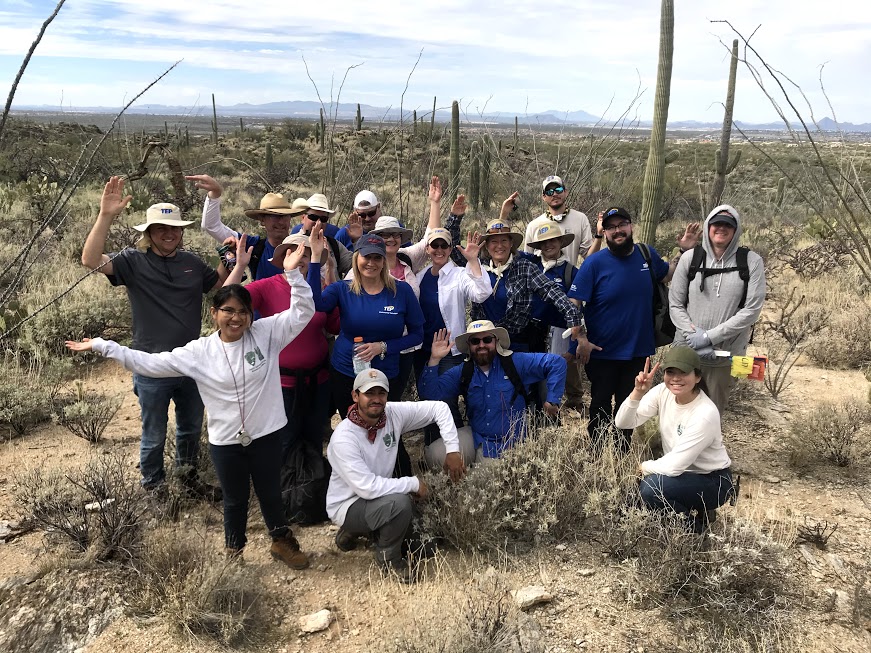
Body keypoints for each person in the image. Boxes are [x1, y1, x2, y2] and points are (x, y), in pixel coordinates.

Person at [66, 245, 316, 567]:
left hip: (266, 432)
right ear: (214, 314)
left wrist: (294, 274)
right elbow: (151, 363)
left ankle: (281, 542)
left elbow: (302, 313)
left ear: (251, 316)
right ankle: (233, 553)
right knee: (235, 499)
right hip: (226, 440)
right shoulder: (200, 352)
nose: (236, 318)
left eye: (243, 311)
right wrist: (104, 346)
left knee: (270, 492)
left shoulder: (267, 334)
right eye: (227, 310)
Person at [81, 177, 225, 497]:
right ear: (148, 232)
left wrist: (235, 259)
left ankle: (188, 481)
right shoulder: (133, 261)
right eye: (161, 228)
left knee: (189, 428)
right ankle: (154, 488)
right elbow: (90, 261)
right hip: (149, 364)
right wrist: (105, 215)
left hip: (190, 363)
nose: (169, 233)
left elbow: (220, 287)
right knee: (154, 433)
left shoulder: (191, 263)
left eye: (174, 228)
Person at [327, 368, 464, 583]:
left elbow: (440, 408)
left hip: (380, 497)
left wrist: (453, 450)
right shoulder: (344, 437)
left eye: (381, 393)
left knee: (426, 548)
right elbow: (367, 488)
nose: (376, 399)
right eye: (369, 393)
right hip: (349, 504)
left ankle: (366, 532)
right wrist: (412, 483)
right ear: (355, 396)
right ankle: (388, 559)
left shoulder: (392, 413)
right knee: (400, 503)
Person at [568, 206, 683, 450]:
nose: (617, 230)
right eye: (611, 227)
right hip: (601, 350)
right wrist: (581, 338)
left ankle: (620, 452)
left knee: (629, 403)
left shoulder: (646, 254)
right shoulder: (594, 263)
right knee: (600, 403)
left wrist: (683, 251)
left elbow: (666, 275)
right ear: (605, 232)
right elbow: (573, 304)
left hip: (638, 349)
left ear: (631, 226)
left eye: (622, 225)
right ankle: (598, 453)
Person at [224, 233, 339, 459]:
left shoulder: (322, 289)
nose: (300, 258)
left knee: (314, 438)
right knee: (285, 440)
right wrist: (239, 267)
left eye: (306, 254)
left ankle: (311, 486)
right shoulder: (267, 287)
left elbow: (335, 326)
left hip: (319, 380)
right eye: (294, 252)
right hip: (281, 384)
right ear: (283, 259)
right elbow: (226, 301)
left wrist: (333, 277)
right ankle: (286, 489)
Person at [305, 224, 424, 417]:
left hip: (385, 374)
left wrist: (383, 346)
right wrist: (315, 258)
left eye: (377, 257)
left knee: (384, 428)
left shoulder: (401, 291)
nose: (371, 263)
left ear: (384, 261)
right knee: (352, 427)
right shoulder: (342, 289)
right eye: (366, 256)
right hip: (346, 372)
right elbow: (314, 303)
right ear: (356, 258)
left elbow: (417, 335)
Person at [614, 347, 734, 533]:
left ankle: (695, 532)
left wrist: (643, 467)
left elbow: (674, 466)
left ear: (697, 377)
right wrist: (637, 393)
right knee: (628, 505)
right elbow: (623, 422)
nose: (676, 378)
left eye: (684, 372)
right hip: (681, 474)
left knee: (652, 489)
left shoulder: (705, 413)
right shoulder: (663, 391)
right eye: (671, 372)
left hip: (712, 480)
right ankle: (691, 511)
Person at [447, 193, 584, 352]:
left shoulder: (525, 268)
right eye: (494, 242)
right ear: (486, 246)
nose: (499, 246)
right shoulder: (477, 265)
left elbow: (551, 291)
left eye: (504, 240)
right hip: (484, 345)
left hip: (517, 344)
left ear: (511, 243)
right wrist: (455, 218)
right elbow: (453, 248)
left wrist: (573, 318)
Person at [418, 321, 567, 462]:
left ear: (496, 342)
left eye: (487, 339)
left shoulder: (515, 362)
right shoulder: (464, 371)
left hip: (507, 442)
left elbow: (557, 363)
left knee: (483, 481)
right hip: (476, 435)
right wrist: (434, 359)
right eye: (475, 341)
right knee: (435, 454)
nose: (481, 345)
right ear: (469, 345)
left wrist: (553, 399)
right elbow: (431, 395)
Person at [669, 205, 766, 414]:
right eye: (716, 224)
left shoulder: (751, 262)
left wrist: (709, 338)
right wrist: (693, 335)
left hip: (724, 354)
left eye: (728, 225)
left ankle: (707, 448)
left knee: (711, 413)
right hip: (685, 351)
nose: (721, 228)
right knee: (677, 409)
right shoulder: (690, 258)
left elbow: (751, 310)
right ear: (708, 227)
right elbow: (675, 304)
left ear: (736, 229)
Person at [413, 227, 491, 450]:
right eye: (434, 245)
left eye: (443, 246)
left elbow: (481, 293)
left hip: (450, 351)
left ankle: (457, 449)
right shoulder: (420, 276)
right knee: (428, 399)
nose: (439, 250)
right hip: (423, 349)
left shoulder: (458, 275)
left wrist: (473, 261)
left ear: (449, 249)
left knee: (445, 400)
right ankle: (433, 448)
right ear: (427, 249)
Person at [188, 174, 300, 281]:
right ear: (262, 220)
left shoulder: (302, 248)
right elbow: (211, 226)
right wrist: (215, 195)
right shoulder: (253, 246)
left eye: (284, 216)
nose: (281, 222)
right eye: (274, 216)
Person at [524, 220, 583, 410]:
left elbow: (577, 308)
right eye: (544, 242)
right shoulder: (530, 264)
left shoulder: (570, 271)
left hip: (560, 330)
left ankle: (572, 404)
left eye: (553, 240)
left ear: (561, 242)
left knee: (564, 366)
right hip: (532, 330)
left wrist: (574, 345)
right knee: (537, 371)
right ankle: (537, 407)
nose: (549, 245)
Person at [523, 175, 593, 267]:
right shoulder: (533, 225)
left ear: (565, 192)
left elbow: (589, 257)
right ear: (544, 197)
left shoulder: (580, 219)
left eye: (558, 190)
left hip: (569, 278)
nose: (555, 194)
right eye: (549, 192)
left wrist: (599, 236)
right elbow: (527, 261)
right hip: (540, 279)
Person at [296, 193, 355, 276]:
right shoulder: (292, 244)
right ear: (303, 218)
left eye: (323, 219)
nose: (318, 222)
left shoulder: (334, 245)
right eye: (313, 217)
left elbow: (356, 265)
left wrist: (357, 240)